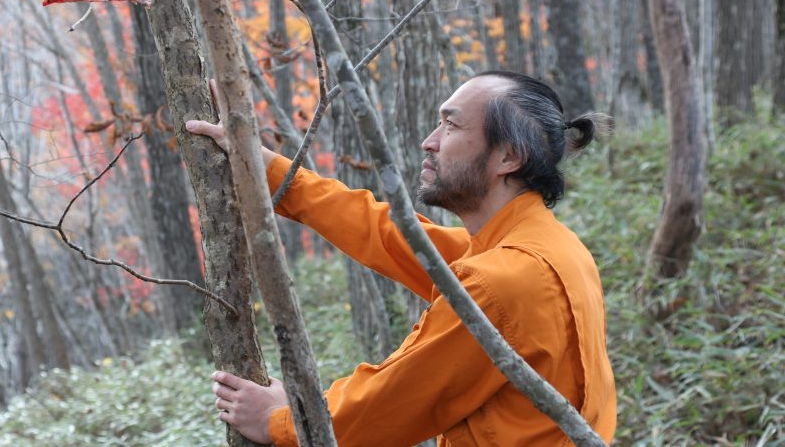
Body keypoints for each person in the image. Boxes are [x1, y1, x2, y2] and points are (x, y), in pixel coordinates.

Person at [184, 70, 617, 446]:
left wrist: (280, 420)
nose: (429, 142)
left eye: (451, 126)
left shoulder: (502, 280)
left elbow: (385, 404)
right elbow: (386, 235)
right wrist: (266, 167)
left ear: (508, 157)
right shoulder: (547, 247)